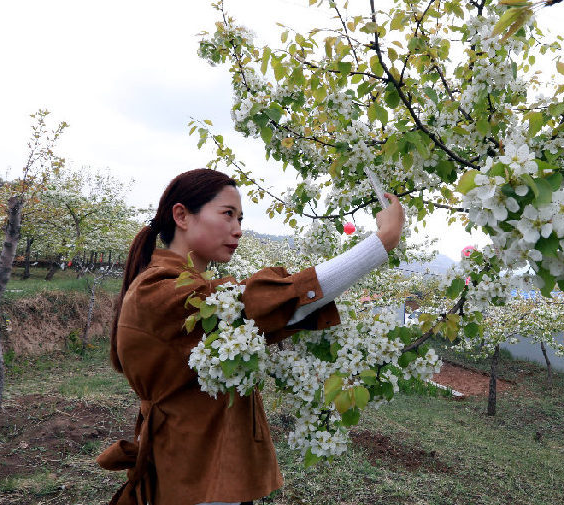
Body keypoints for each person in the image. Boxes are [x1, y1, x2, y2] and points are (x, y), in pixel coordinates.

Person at [97, 169, 404, 505]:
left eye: (240, 218)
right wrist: (379, 244)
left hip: (207, 459)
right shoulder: (159, 291)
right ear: (182, 216)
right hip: (194, 468)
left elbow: (259, 309)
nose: (238, 230)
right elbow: (259, 305)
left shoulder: (185, 286)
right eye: (227, 214)